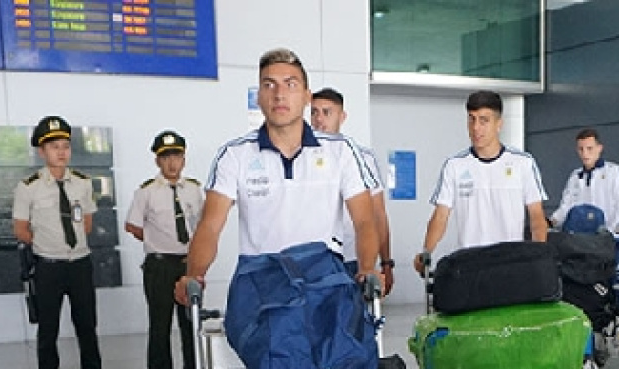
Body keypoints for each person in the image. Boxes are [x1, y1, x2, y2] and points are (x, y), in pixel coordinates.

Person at [174, 48, 378, 306]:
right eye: (269, 85)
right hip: (261, 286)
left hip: (324, 285)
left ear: (306, 97)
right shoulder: (235, 155)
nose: (279, 94)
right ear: (259, 97)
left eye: (290, 85)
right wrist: (194, 275)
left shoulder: (341, 151)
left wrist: (367, 269)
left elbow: (364, 220)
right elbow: (210, 225)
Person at [12, 115, 123, 369]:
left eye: (65, 146)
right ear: (42, 151)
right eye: (54, 147)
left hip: (79, 264)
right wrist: (46, 246)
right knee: (48, 328)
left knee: (87, 325)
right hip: (48, 266)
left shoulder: (82, 184)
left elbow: (86, 224)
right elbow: (20, 230)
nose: (61, 152)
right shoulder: (28, 187)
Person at [413, 90, 548, 274]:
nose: (476, 128)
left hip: (510, 265)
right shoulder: (455, 165)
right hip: (470, 266)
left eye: (484, 120)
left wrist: (539, 258)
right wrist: (426, 252)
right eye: (471, 119)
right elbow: (440, 216)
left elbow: (537, 217)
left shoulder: (523, 163)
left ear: (499, 124)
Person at [125, 130, 204, 369]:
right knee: (160, 321)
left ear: (184, 159)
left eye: (177, 156)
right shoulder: (147, 191)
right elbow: (132, 225)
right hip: (159, 264)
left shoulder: (193, 189)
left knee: (190, 319)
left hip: (188, 263)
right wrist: (156, 241)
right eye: (166, 157)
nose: (172, 163)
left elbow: (202, 225)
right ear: (158, 161)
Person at [551, 128, 619, 343]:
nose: (585, 153)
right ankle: (588, 333)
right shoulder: (575, 177)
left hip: (609, 241)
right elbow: (565, 207)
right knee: (583, 288)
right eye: (581, 149)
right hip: (581, 245)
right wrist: (550, 222)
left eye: (589, 148)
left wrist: (608, 232)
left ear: (599, 148)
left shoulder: (615, 172)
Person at [310, 87, 394, 294]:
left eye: (327, 112)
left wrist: (386, 262)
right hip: (314, 260)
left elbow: (378, 214)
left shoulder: (363, 158)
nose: (319, 119)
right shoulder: (301, 156)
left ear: (342, 117)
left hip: (353, 259)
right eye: (314, 112)